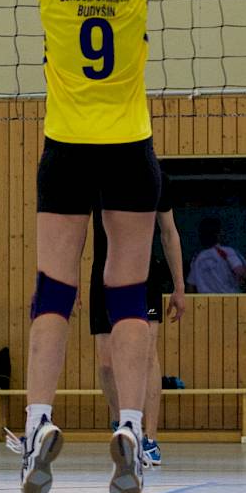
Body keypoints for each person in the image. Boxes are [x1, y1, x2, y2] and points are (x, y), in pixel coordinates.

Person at [13, 0, 178, 493]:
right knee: (127, 295)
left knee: (55, 288)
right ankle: (133, 426)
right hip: (129, 151)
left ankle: (38, 423)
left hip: (67, 150)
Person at [90, 168, 187, 466]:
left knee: (146, 356)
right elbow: (75, 229)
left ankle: (150, 438)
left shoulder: (155, 176)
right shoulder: (95, 176)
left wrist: (179, 285)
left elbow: (168, 232)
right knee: (107, 363)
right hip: (104, 276)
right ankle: (123, 428)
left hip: (143, 275)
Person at [185, 217, 246, 294]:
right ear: (218, 234)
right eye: (221, 231)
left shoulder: (197, 259)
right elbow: (241, 273)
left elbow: (190, 286)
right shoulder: (227, 252)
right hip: (229, 298)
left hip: (206, 300)